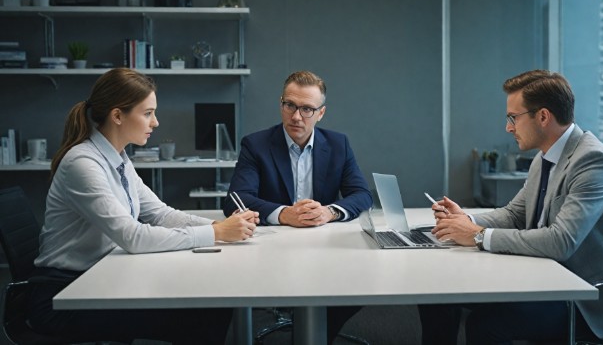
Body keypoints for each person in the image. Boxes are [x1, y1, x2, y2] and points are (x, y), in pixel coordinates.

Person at [28, 68, 260, 344]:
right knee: (204, 313)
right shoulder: (82, 163)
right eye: (147, 113)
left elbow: (159, 214)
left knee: (208, 304)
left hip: (100, 278)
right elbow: (132, 237)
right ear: (117, 116)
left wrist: (217, 225)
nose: (156, 122)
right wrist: (218, 233)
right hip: (64, 295)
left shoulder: (119, 158)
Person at [429, 70, 603, 343]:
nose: (508, 127)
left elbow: (561, 241)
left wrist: (477, 236)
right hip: (551, 279)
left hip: (593, 299)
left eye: (513, 118)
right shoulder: (544, 157)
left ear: (543, 117)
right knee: (440, 296)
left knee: (486, 324)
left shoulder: (593, 161)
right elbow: (515, 214)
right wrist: (464, 220)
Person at [224, 70, 372, 342]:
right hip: (274, 247)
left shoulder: (338, 144)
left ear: (321, 113)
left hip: (326, 244)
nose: (296, 116)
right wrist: (284, 214)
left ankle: (320, 332)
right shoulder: (256, 145)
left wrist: (329, 211)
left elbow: (362, 194)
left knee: (364, 277)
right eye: (289, 105)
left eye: (307, 109)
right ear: (281, 103)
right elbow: (236, 197)